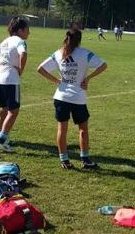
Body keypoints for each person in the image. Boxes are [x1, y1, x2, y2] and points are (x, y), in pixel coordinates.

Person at [37, 28, 107, 169]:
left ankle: (64, 160)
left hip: (61, 96)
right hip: (78, 98)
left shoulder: (58, 54)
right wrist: (88, 78)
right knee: (83, 129)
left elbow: (40, 69)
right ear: (79, 40)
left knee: (62, 129)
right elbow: (103, 65)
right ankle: (85, 159)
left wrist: (56, 81)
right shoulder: (85, 53)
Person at [0, 17, 30, 152]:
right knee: (14, 111)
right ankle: (1, 140)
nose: (28, 33)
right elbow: (23, 54)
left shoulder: (6, 41)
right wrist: (21, 70)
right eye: (27, 30)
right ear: (20, 30)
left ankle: (2, 136)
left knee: (4, 109)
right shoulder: (20, 41)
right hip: (10, 79)